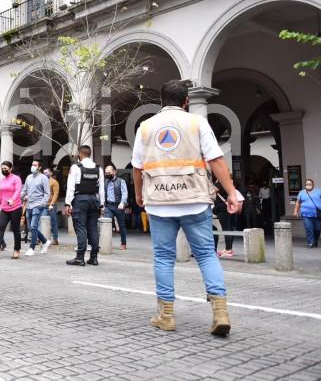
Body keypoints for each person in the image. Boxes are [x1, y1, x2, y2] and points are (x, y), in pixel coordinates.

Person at [132, 80, 243, 336]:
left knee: (163, 257)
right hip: (194, 199)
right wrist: (231, 192)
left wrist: (139, 194)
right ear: (186, 101)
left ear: (161, 101)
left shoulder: (145, 127)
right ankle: (220, 312)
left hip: (159, 203)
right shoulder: (197, 122)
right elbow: (215, 159)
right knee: (205, 254)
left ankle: (166, 315)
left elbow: (137, 167)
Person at [64, 145, 104, 267]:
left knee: (81, 228)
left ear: (80, 155)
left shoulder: (76, 167)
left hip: (80, 200)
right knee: (93, 228)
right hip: (94, 200)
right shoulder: (99, 169)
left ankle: (80, 258)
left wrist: (67, 203)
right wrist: (102, 205)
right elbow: (101, 189)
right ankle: (94, 257)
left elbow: (71, 187)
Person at [0, 161, 23, 259]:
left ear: (10, 168)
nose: (3, 170)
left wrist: (12, 199)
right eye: (2, 168)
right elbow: (0, 193)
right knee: (0, 227)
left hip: (15, 208)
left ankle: (17, 250)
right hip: (4, 208)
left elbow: (18, 190)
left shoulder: (16, 179)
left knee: (16, 230)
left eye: (5, 168)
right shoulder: (2, 180)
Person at [22, 160, 52, 256]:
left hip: (38, 205)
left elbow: (47, 193)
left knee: (34, 226)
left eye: (35, 165)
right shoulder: (28, 177)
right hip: (29, 205)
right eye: (32, 164)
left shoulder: (43, 178)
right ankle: (45, 241)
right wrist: (17, 198)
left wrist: (42, 204)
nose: (33, 166)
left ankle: (32, 247)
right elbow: (24, 190)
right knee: (31, 227)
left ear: (39, 167)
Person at [293, 179, 321, 248]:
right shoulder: (301, 193)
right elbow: (298, 202)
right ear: (305, 185)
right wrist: (295, 211)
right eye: (307, 184)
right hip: (305, 214)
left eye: (310, 184)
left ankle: (315, 241)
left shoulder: (318, 191)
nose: (308, 185)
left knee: (317, 229)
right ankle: (310, 243)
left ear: (313, 185)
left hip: (318, 213)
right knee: (308, 228)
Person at [104, 164, 128, 250]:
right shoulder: (105, 181)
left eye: (109, 173)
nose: (107, 174)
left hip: (118, 206)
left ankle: (123, 243)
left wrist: (122, 203)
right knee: (106, 224)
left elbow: (125, 193)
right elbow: (103, 193)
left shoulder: (121, 181)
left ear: (114, 172)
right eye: (106, 173)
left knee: (121, 225)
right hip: (108, 206)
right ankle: (106, 243)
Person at [212, 177, 236, 258]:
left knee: (226, 228)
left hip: (222, 207)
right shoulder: (230, 182)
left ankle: (228, 249)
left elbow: (214, 190)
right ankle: (228, 249)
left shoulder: (222, 180)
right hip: (227, 206)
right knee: (229, 227)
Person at [44, 168, 60, 245]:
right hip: (43, 204)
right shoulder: (42, 181)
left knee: (53, 222)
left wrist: (52, 204)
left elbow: (56, 194)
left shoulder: (54, 182)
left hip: (51, 205)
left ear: (50, 173)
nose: (45, 173)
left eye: (46, 172)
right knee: (41, 221)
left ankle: (55, 239)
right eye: (44, 172)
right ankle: (42, 238)